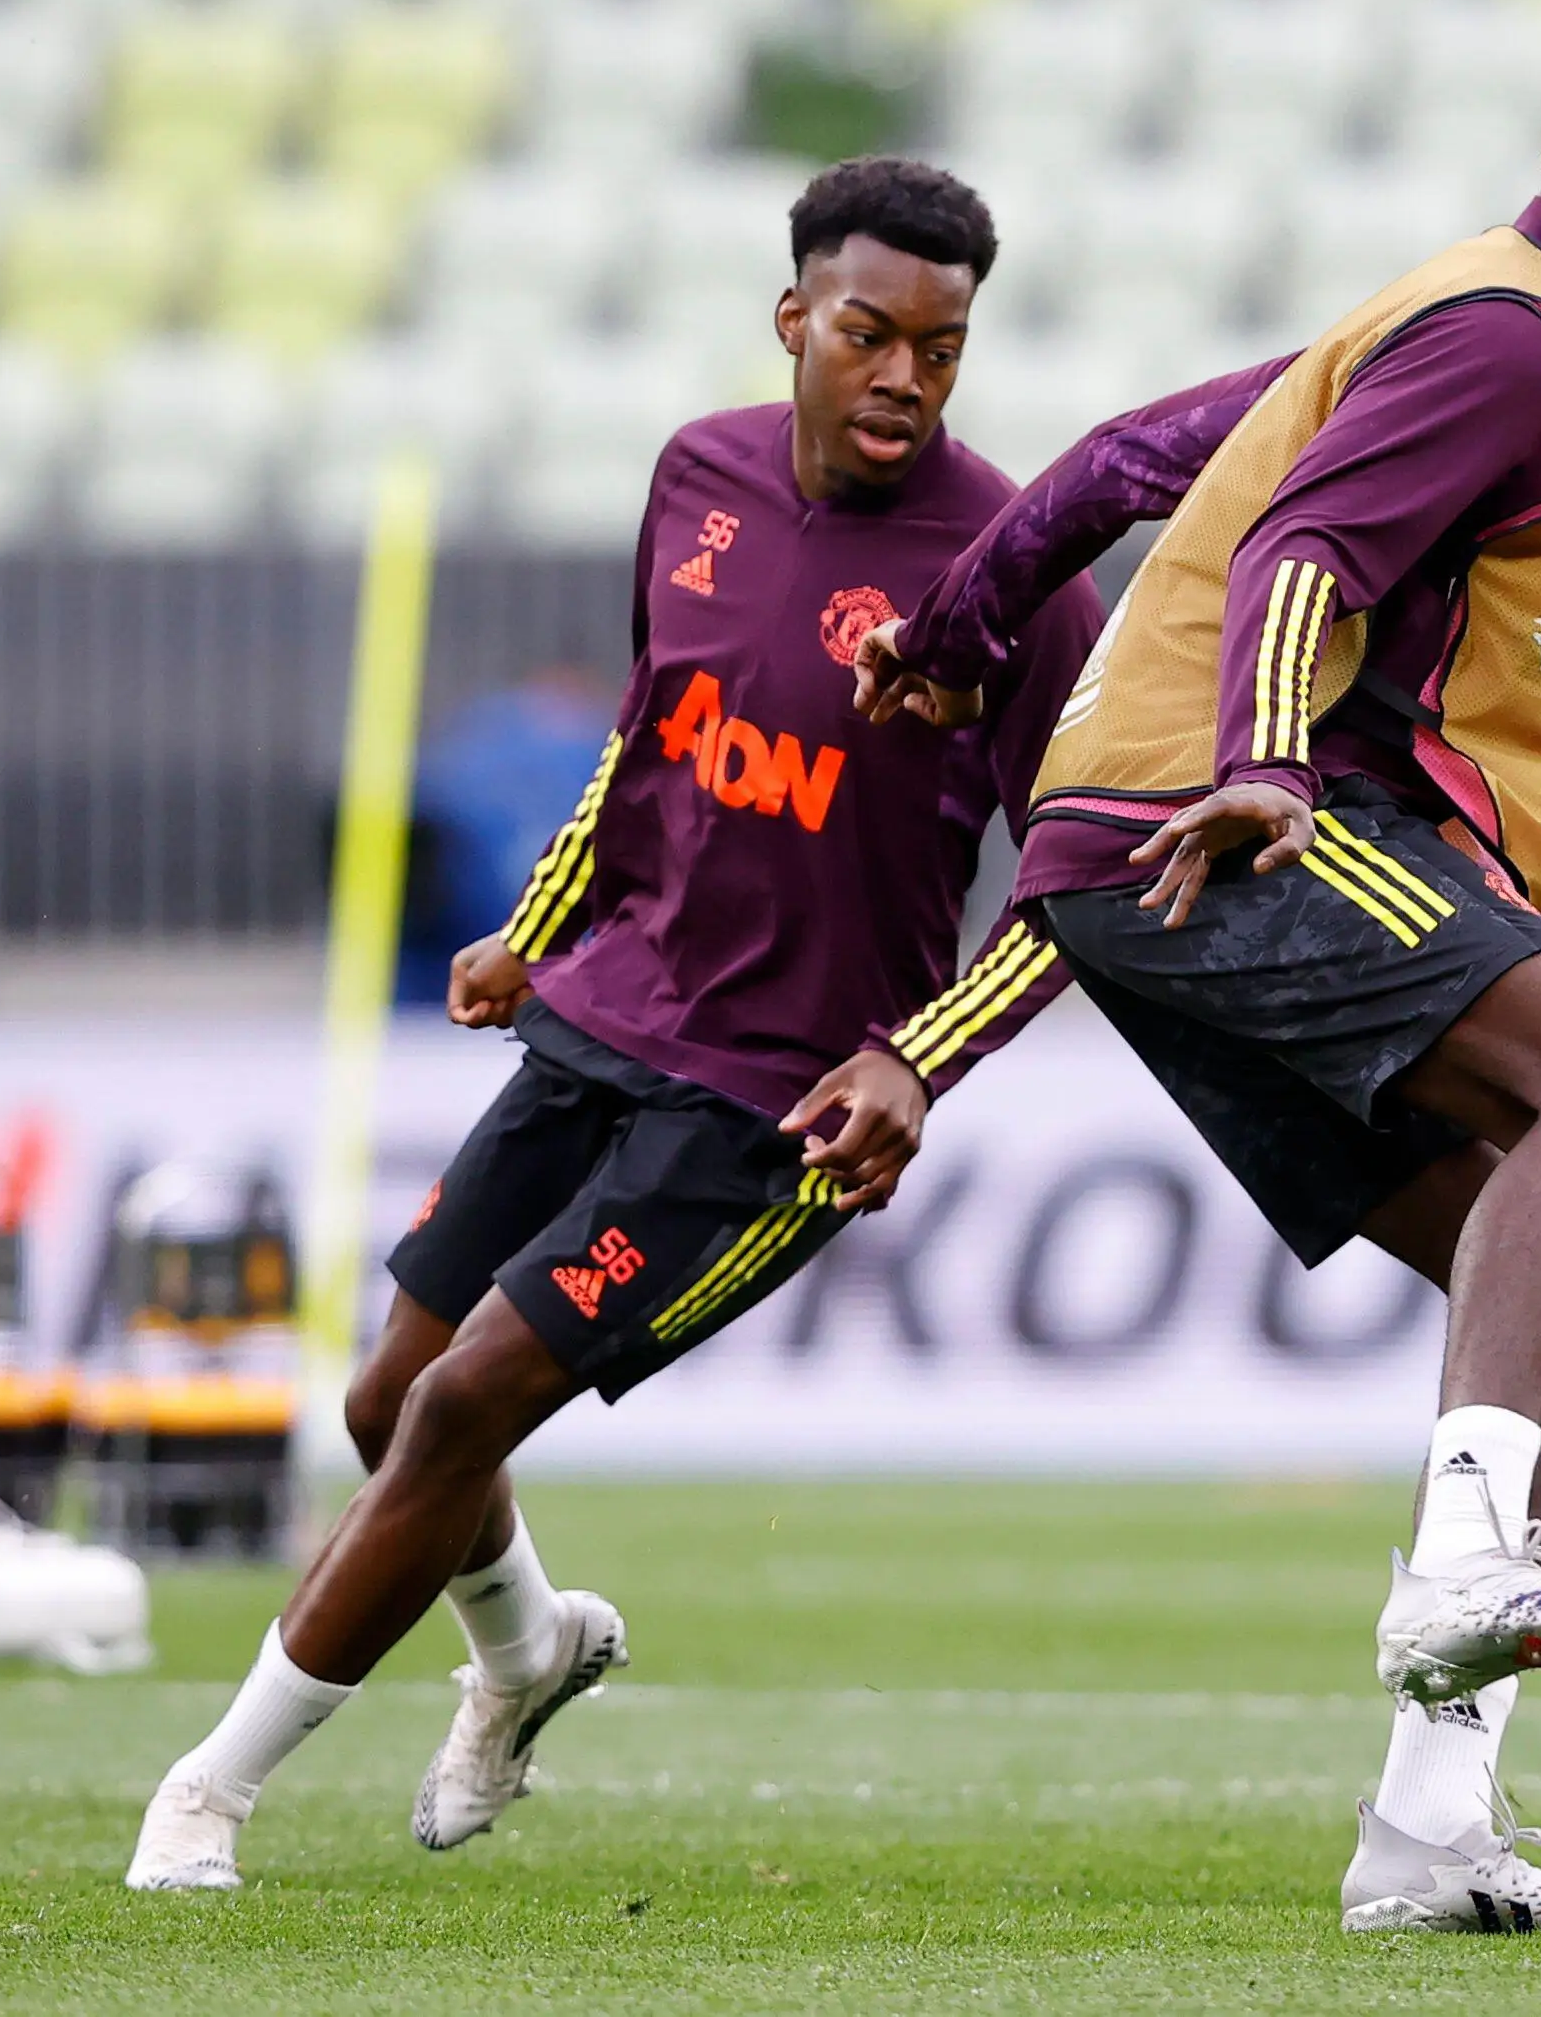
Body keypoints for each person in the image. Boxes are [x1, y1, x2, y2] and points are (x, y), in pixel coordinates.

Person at [851, 9, 1541, 1935]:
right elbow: (1297, 554)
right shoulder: (1512, 333)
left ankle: (1426, 1836)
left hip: (1133, 857)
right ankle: (1463, 1570)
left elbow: (1124, 459)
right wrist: (1268, 760)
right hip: (1226, 821)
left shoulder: (1429, 323)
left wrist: (954, 635)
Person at [126, 158, 1101, 1889]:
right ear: (793, 317)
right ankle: (526, 1652)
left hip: (778, 1107)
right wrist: (539, 924)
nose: (903, 376)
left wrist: (917, 1057)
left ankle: (206, 1794)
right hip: (616, 1006)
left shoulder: (1011, 567)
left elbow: (1078, 876)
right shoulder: (696, 473)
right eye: (868, 334)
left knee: (457, 1411)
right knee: (389, 1398)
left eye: (941, 349)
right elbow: (653, 736)